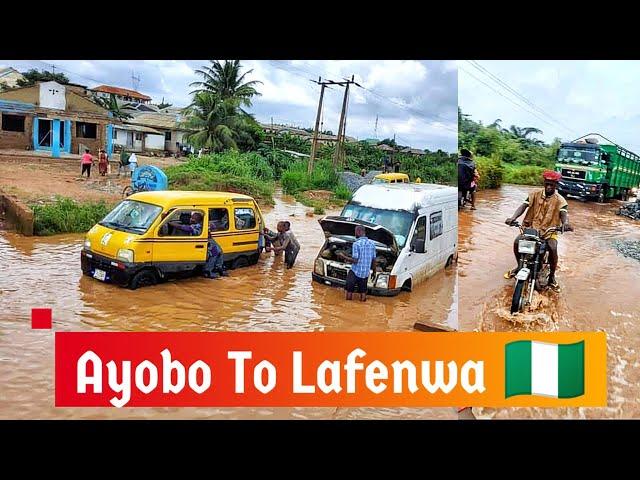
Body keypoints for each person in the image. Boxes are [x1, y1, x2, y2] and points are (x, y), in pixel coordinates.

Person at [504, 170, 571, 290]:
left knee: (552, 247)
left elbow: (564, 213)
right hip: (531, 229)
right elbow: (523, 206)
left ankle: (551, 277)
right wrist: (513, 218)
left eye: (552, 184)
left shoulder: (560, 200)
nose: (549, 187)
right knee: (517, 242)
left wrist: (565, 224)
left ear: (556, 185)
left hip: (549, 232)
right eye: (547, 184)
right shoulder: (534, 194)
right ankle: (519, 266)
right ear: (544, 183)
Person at [337, 225, 377, 301]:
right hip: (365, 273)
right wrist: (374, 272)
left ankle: (348, 307)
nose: (355, 234)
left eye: (355, 232)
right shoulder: (372, 244)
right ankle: (362, 308)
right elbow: (374, 260)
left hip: (355, 272)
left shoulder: (356, 244)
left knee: (349, 291)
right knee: (363, 292)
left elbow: (355, 260)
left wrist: (343, 256)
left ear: (359, 232)